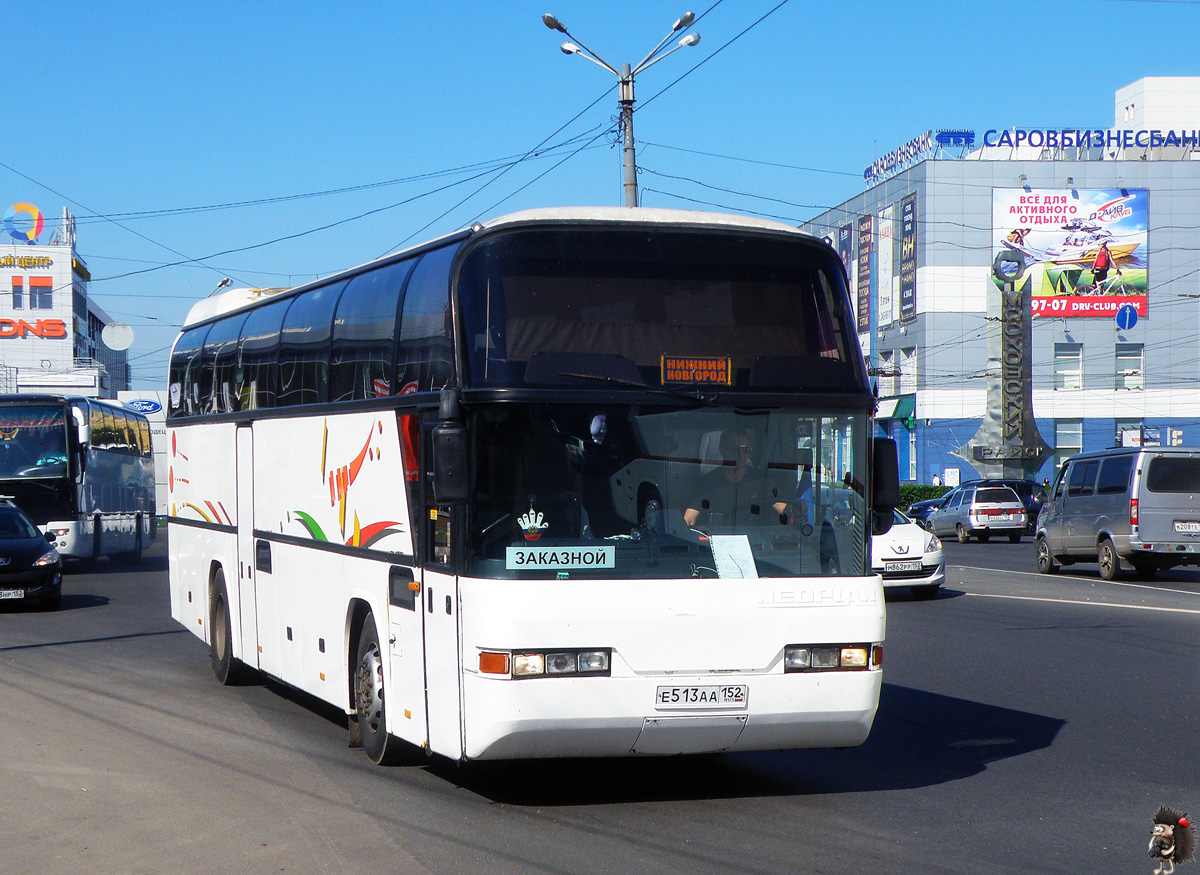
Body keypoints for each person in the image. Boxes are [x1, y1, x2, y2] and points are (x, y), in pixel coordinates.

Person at [683, 430, 790, 529]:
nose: (740, 454)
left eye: (745, 449)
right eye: (734, 449)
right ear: (722, 449)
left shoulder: (762, 481)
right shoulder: (708, 483)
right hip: (717, 540)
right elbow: (689, 518)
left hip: (755, 542)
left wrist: (795, 511)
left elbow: (784, 509)